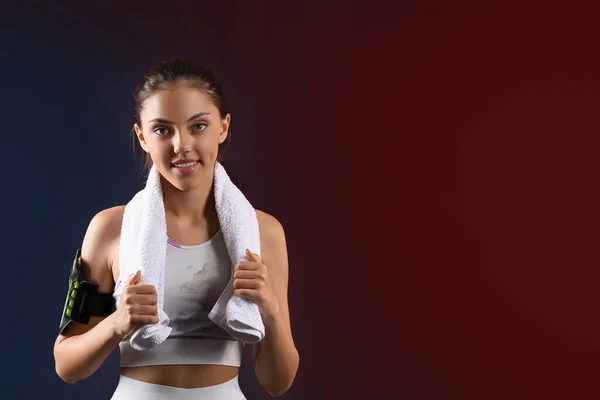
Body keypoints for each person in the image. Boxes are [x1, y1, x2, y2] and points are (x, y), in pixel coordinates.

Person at [53, 58, 299, 399]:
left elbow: (278, 381)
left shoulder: (263, 232)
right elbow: (66, 364)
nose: (181, 145)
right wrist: (117, 322)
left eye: (198, 126)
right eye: (162, 130)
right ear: (142, 136)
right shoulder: (112, 228)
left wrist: (268, 309)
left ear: (223, 127)